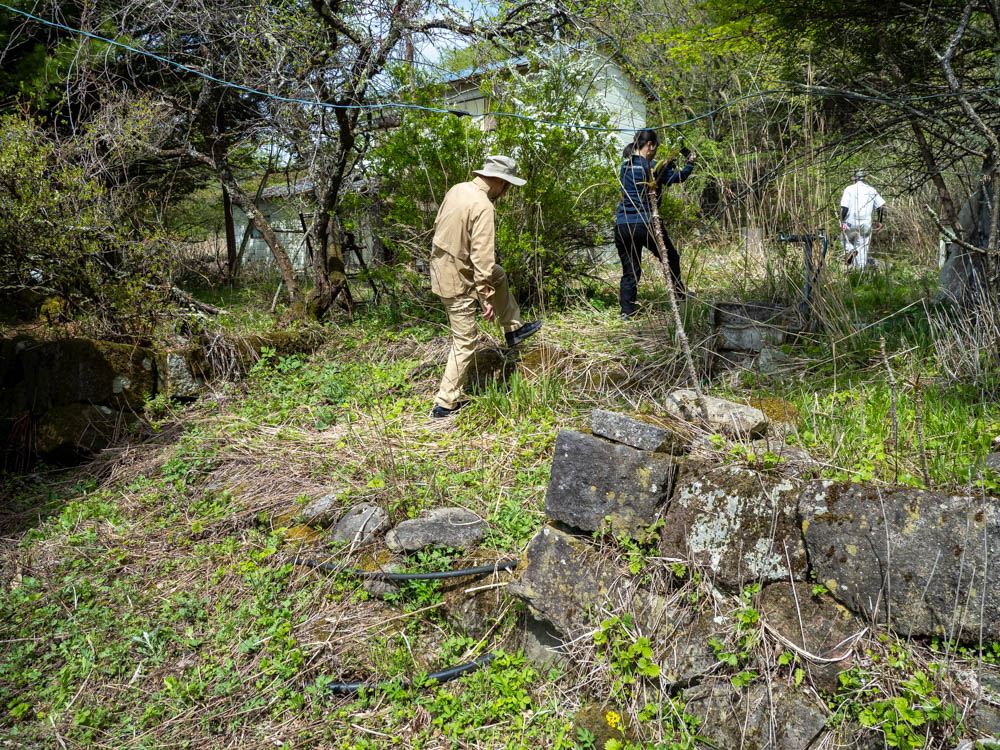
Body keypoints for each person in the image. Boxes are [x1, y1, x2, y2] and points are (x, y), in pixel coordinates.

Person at [429, 155, 542, 419]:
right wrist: (484, 297)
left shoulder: (458, 189)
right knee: (465, 341)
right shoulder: (483, 206)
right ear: (500, 182)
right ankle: (444, 405)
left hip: (445, 269)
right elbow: (482, 257)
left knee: (498, 274)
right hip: (457, 280)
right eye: (508, 186)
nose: (507, 191)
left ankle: (513, 329)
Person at [614, 129, 696, 319]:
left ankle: (627, 311)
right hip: (645, 223)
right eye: (655, 147)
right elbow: (678, 177)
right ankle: (679, 295)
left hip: (623, 224)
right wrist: (690, 163)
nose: (656, 152)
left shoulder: (624, 167)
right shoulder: (653, 167)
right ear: (649, 145)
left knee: (631, 270)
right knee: (671, 258)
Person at [839, 169, 886, 269]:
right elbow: (881, 206)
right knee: (862, 249)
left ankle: (850, 251)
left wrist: (841, 221)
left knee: (845, 240)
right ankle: (859, 273)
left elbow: (845, 208)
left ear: (854, 178)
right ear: (865, 178)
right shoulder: (871, 190)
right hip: (866, 224)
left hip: (850, 222)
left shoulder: (849, 189)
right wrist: (880, 221)